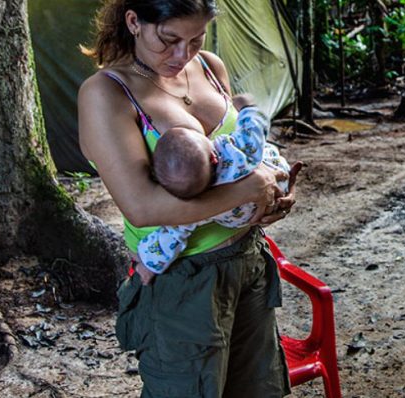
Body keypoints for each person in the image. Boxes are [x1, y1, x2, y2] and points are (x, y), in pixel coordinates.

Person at [76, 0, 298, 396]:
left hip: (247, 259)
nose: (182, 55)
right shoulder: (107, 94)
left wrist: (267, 200)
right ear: (134, 22)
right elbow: (143, 208)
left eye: (196, 39)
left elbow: (240, 154)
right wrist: (248, 190)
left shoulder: (210, 67)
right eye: (169, 39)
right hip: (184, 278)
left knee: (256, 388)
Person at [138, 94, 292, 274]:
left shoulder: (199, 207)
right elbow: (253, 131)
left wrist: (147, 263)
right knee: (262, 151)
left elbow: (170, 237)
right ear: (213, 156)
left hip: (241, 219)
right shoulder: (232, 154)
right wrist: (248, 107)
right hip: (277, 184)